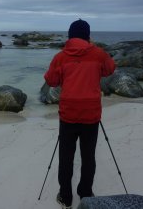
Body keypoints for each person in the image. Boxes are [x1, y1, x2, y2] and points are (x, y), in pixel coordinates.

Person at [44, 19, 115, 208]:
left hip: (68, 114)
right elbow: (110, 69)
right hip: (91, 114)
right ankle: (85, 194)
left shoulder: (61, 57)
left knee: (66, 158)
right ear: (88, 36)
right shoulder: (98, 54)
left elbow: (50, 80)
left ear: (69, 36)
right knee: (88, 156)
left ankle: (65, 197)